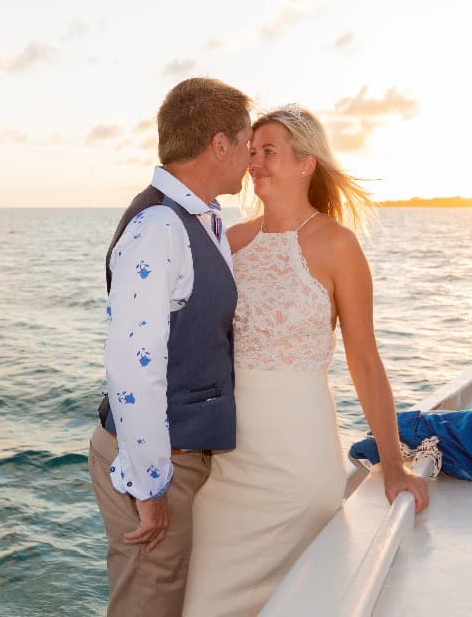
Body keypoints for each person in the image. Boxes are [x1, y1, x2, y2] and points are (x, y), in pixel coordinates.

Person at [183, 104, 430, 616]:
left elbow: (365, 362)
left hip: (299, 465)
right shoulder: (228, 243)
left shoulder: (337, 245)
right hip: (228, 465)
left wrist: (392, 467)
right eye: (251, 153)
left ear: (305, 163)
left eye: (268, 152)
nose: (255, 163)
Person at [89, 77, 254, 616]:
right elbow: (134, 369)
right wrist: (151, 483)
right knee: (147, 606)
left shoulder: (198, 220)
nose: (252, 155)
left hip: (174, 456)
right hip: (155, 462)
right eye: (246, 140)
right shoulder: (160, 226)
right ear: (219, 144)